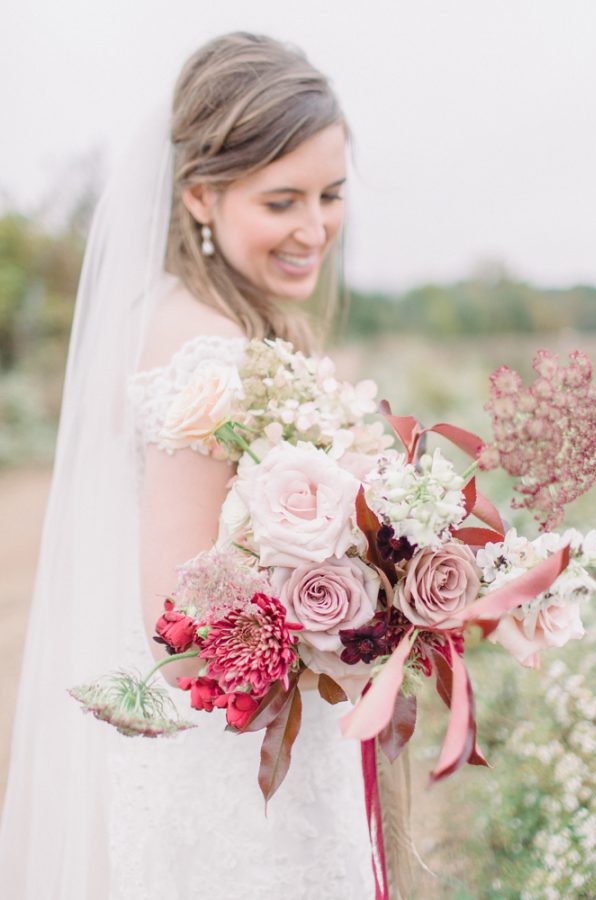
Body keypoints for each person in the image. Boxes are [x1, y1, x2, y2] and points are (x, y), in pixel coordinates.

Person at [0, 32, 373, 899]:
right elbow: (183, 612)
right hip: (228, 773)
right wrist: (365, 601)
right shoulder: (206, 351)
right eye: (281, 201)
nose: (314, 228)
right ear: (202, 195)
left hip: (248, 742)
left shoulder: (202, 318)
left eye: (331, 193)